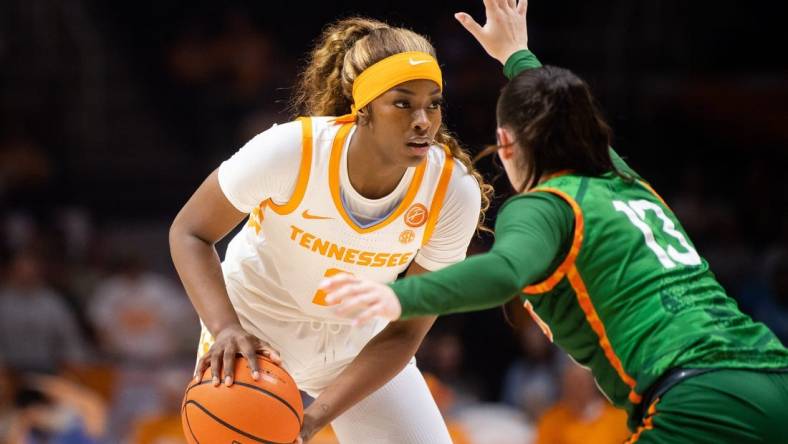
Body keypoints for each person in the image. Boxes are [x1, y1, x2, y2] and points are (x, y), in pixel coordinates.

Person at [320, 1, 788, 442]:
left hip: (700, 397)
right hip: (773, 372)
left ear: (505, 145)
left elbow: (503, 273)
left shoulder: (543, 205)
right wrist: (515, 54)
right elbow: (562, 109)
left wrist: (396, 294)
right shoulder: (620, 177)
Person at [168, 16, 491, 444]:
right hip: (253, 336)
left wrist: (313, 418)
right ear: (364, 108)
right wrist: (225, 327)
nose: (423, 120)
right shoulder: (292, 151)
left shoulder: (451, 192)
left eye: (433, 103)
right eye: (402, 103)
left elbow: (406, 331)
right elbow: (190, 232)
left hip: (356, 346)